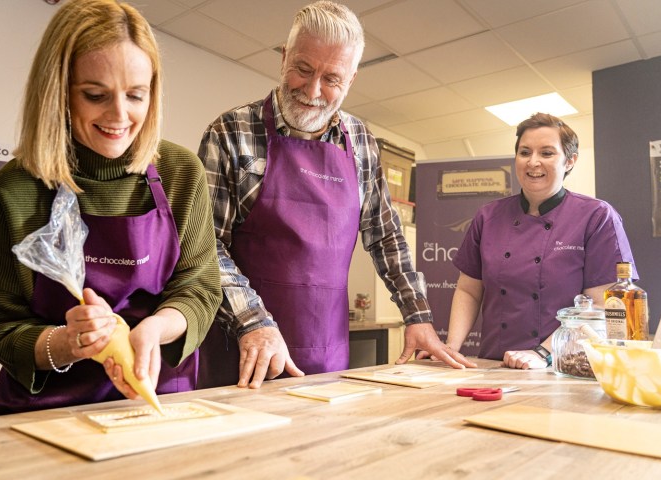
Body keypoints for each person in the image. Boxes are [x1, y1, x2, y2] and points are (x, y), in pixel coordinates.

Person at [197, 0, 476, 390]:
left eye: (332, 79)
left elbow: (386, 237)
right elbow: (206, 245)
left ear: (352, 80)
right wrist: (254, 322)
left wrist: (417, 316)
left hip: (327, 353)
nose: (313, 91)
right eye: (303, 69)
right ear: (283, 59)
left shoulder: (361, 141)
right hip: (244, 352)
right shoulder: (231, 132)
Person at [0, 0, 221, 416]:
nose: (120, 116)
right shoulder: (14, 190)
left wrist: (153, 331)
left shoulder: (181, 174)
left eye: (136, 96)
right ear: (58, 91)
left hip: (156, 399)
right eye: (95, 95)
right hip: (48, 411)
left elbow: (199, 286)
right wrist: (69, 343)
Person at [435, 112, 636, 369]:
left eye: (547, 153)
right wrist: (451, 348)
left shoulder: (596, 216)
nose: (533, 162)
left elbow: (600, 304)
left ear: (570, 161)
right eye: (525, 152)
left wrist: (543, 354)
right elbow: (468, 290)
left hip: (564, 366)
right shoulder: (488, 216)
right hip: (494, 364)